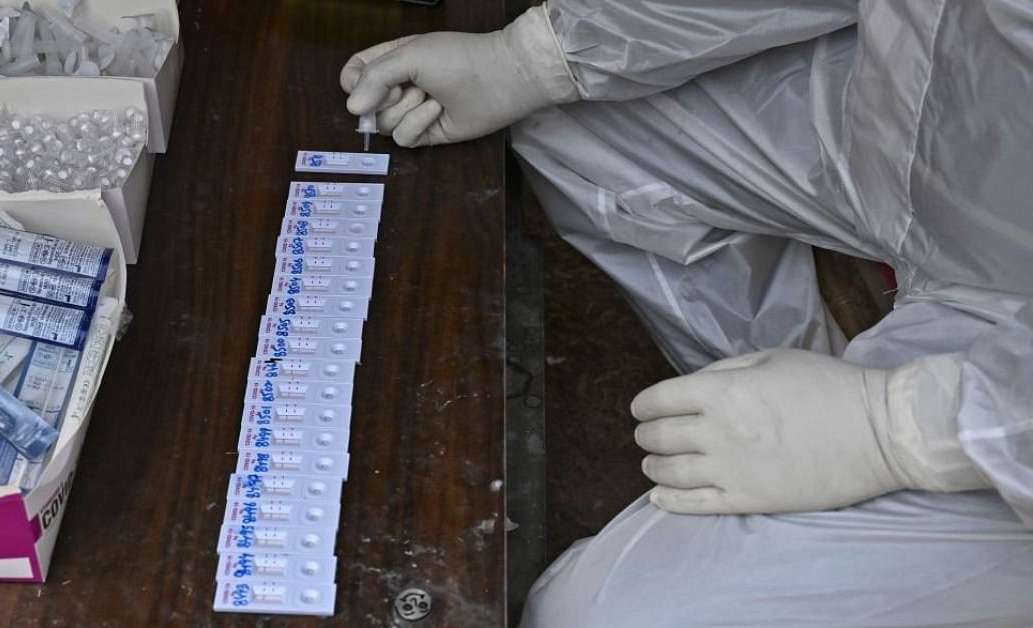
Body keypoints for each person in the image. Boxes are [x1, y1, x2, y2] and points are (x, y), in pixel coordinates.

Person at [341, 1, 1033, 625]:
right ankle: (765, 413)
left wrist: (898, 427)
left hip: (1007, 374)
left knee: (599, 618)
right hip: (949, 126)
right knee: (574, 123)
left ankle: (820, 461)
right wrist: (535, 57)